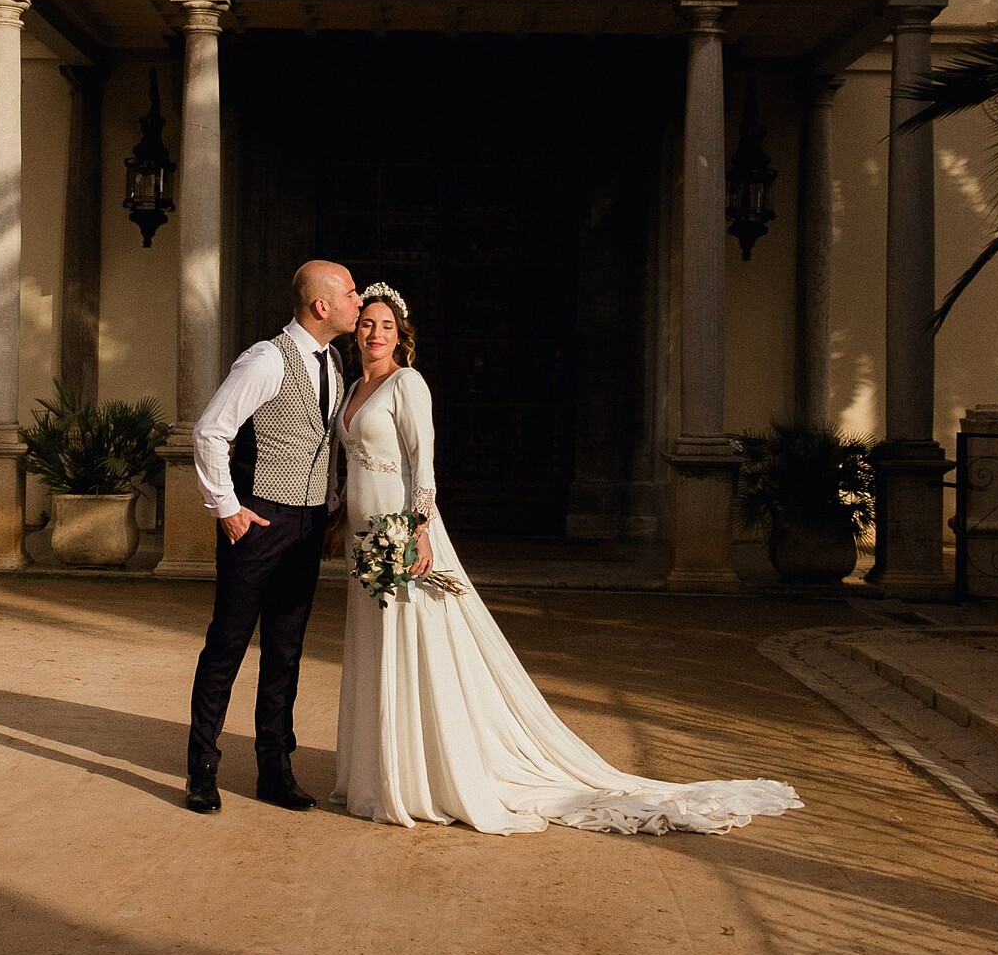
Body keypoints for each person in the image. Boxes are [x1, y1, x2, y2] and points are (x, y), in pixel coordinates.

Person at [333, 284, 803, 835]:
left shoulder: (408, 384)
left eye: (385, 325)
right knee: (372, 640)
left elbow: (424, 464)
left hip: (402, 530)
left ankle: (416, 774)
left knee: (412, 640)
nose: (374, 333)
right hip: (364, 536)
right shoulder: (354, 388)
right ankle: (376, 770)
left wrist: (419, 532)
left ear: (401, 334)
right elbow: (356, 464)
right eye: (367, 323)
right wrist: (341, 523)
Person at [184, 260, 361, 815]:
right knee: (228, 645)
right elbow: (210, 431)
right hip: (259, 520)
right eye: (351, 293)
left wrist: (331, 512)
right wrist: (229, 509)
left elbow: (324, 446)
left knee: (285, 652)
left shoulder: (333, 359)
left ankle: (274, 770)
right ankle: (202, 771)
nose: (360, 301)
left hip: (307, 527)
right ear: (321, 306)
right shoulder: (266, 359)